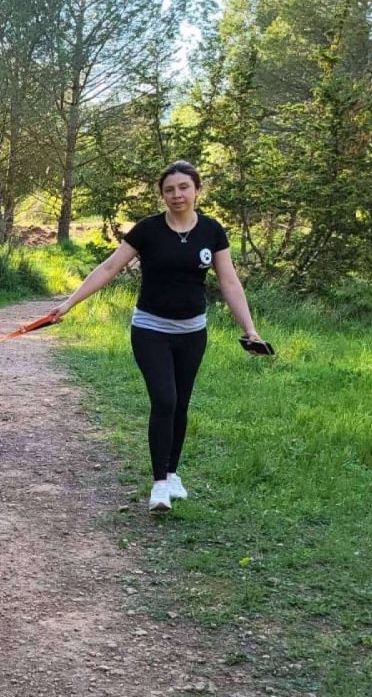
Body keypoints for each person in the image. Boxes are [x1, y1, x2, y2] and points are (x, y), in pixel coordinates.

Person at [49, 161, 265, 512]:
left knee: (181, 403)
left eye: (183, 187)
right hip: (151, 330)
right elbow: (109, 267)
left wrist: (249, 329)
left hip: (192, 333)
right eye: (169, 190)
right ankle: (160, 484)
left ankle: (174, 473)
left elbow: (229, 281)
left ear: (197, 189)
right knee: (164, 400)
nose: (177, 195)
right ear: (162, 195)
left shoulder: (212, 231)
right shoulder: (148, 230)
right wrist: (69, 303)